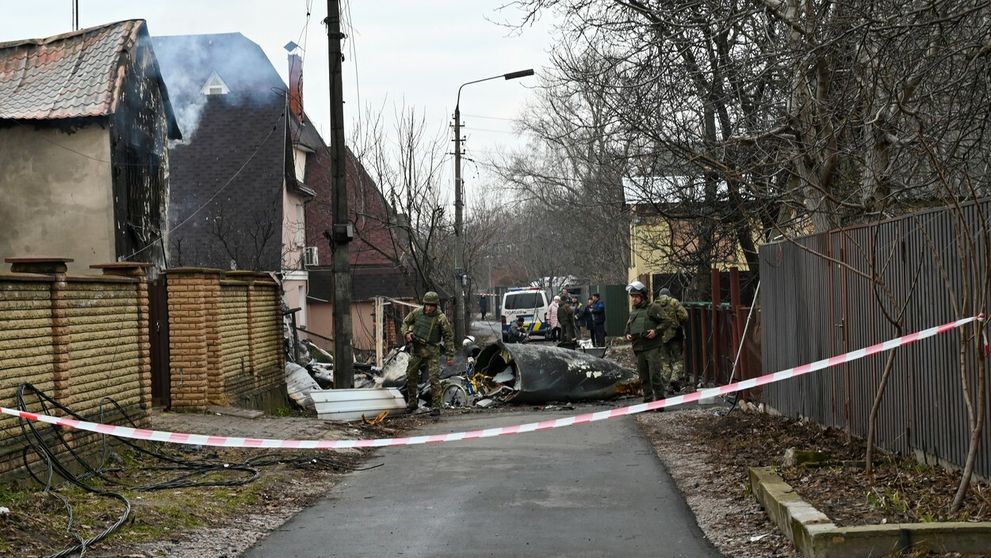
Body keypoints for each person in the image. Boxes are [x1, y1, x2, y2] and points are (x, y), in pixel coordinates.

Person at [401, 291, 455, 417]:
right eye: (427, 305)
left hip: (432, 351)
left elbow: (448, 336)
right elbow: (405, 322)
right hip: (417, 350)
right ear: (424, 304)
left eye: (432, 305)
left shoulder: (441, 318)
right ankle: (412, 403)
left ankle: (436, 406)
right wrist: (407, 333)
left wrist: (450, 355)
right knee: (411, 376)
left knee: (434, 379)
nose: (429, 308)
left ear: (436, 305)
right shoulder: (417, 313)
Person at [624, 281, 668, 407]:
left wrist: (656, 331)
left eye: (636, 296)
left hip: (652, 347)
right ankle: (648, 401)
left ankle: (660, 401)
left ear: (642, 296)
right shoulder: (634, 312)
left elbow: (666, 321)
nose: (633, 299)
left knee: (655, 375)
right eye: (632, 297)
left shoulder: (653, 308)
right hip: (639, 348)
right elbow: (628, 327)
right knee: (643, 377)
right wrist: (627, 334)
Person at [656, 287, 689, 392]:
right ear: (669, 295)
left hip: (660, 336)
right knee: (678, 359)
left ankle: (667, 386)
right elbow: (684, 316)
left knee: (665, 362)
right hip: (675, 335)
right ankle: (674, 379)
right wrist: (678, 322)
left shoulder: (655, 304)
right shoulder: (674, 302)